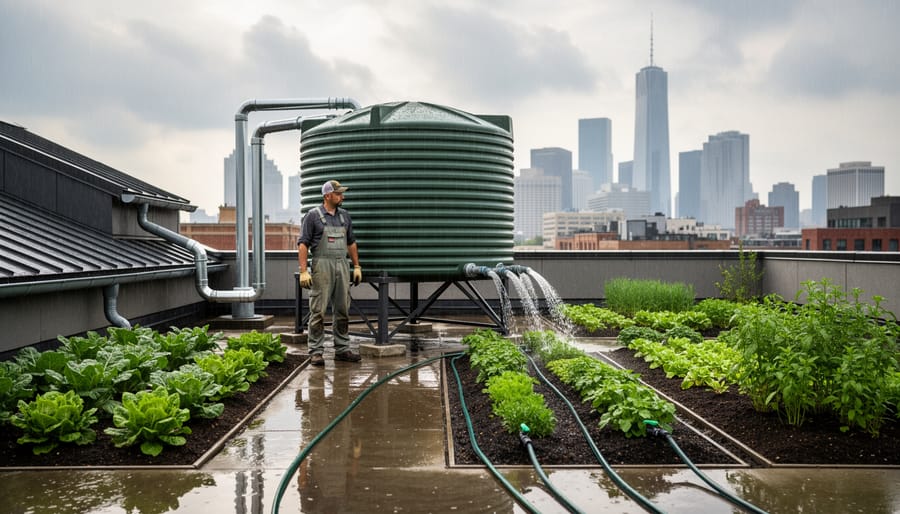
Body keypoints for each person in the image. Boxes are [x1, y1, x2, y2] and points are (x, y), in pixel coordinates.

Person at [297, 179, 363, 366]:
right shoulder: (313, 216)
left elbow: (351, 243)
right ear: (327, 196)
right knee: (318, 310)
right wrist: (303, 271)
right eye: (339, 193)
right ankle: (316, 352)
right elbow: (303, 244)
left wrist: (356, 266)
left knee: (342, 309)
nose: (343, 196)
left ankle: (342, 349)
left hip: (342, 265)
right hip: (322, 265)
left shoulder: (345, 216)